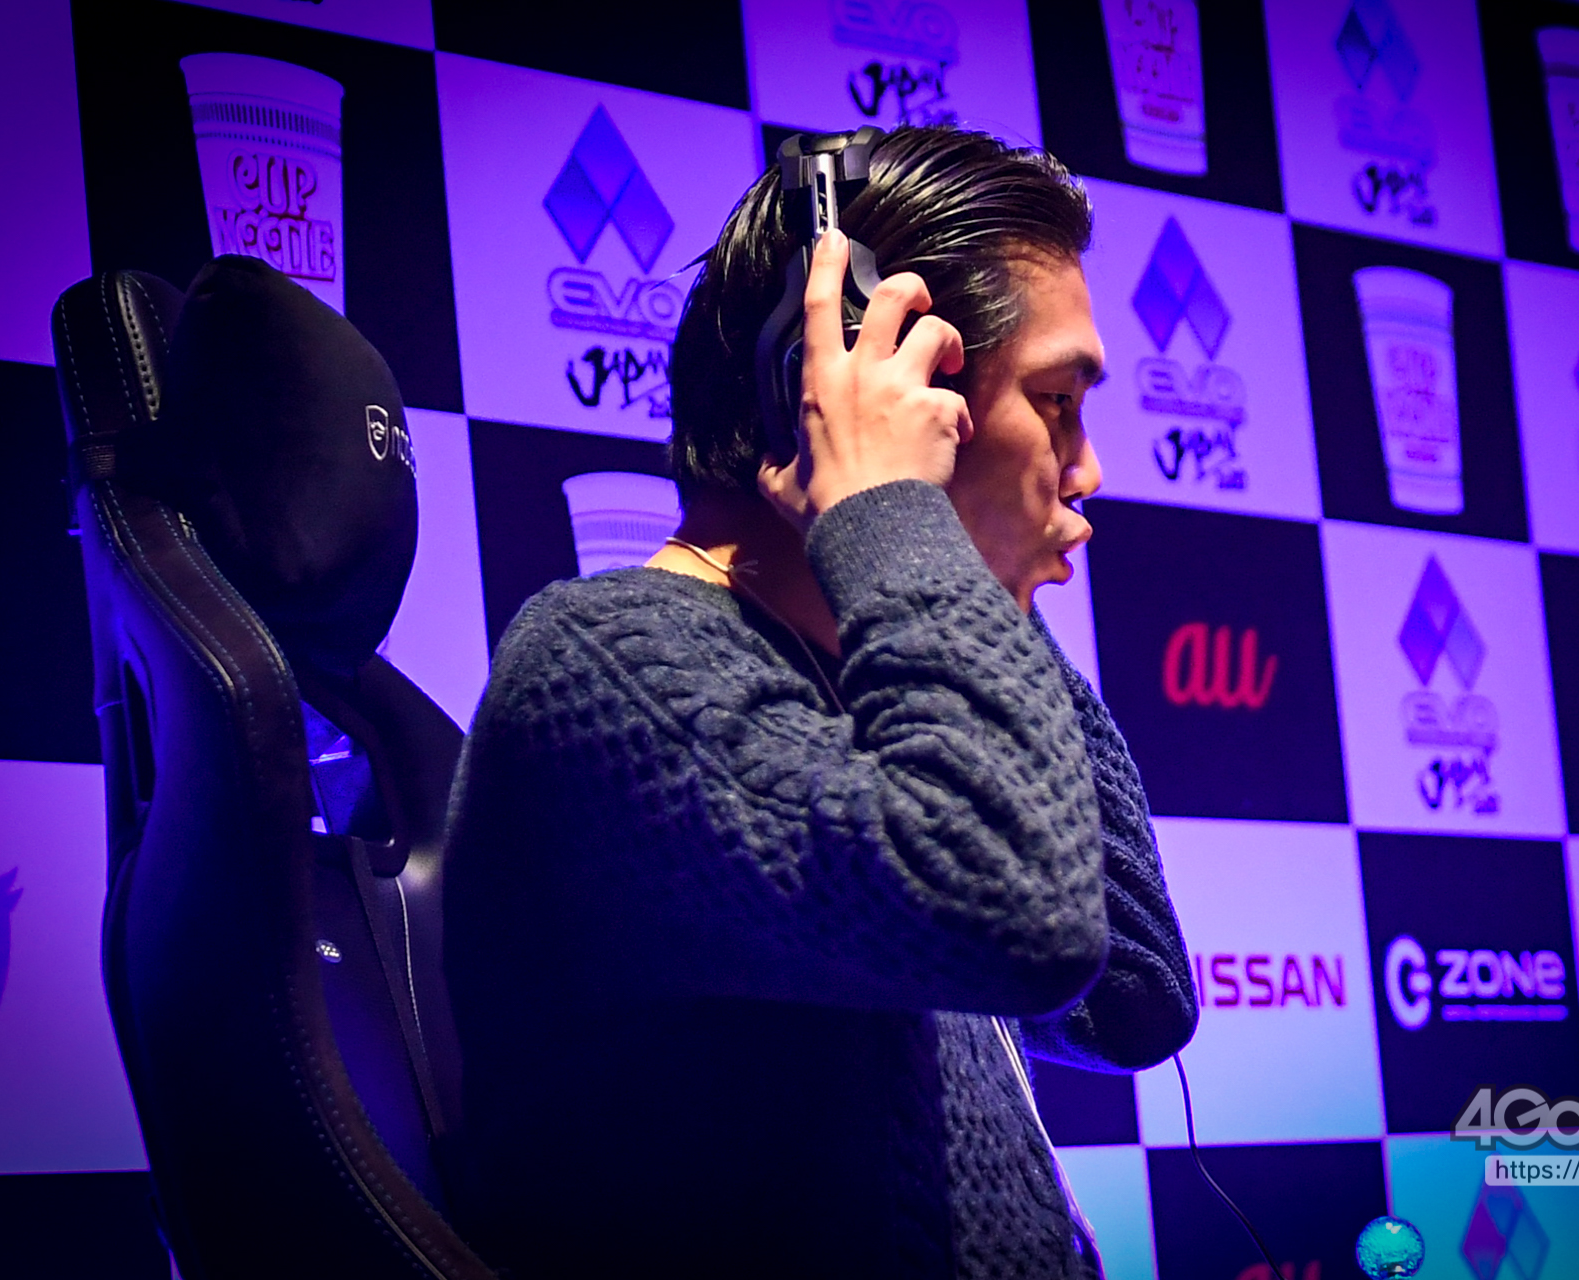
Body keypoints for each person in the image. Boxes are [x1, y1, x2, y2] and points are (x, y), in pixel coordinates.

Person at [443, 124, 1196, 1278]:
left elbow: (1132, 989)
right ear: (845, 388)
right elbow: (1023, 917)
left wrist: (957, 571)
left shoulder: (863, 678)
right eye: (1056, 402)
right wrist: (897, 514)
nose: (1087, 469)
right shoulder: (609, 665)